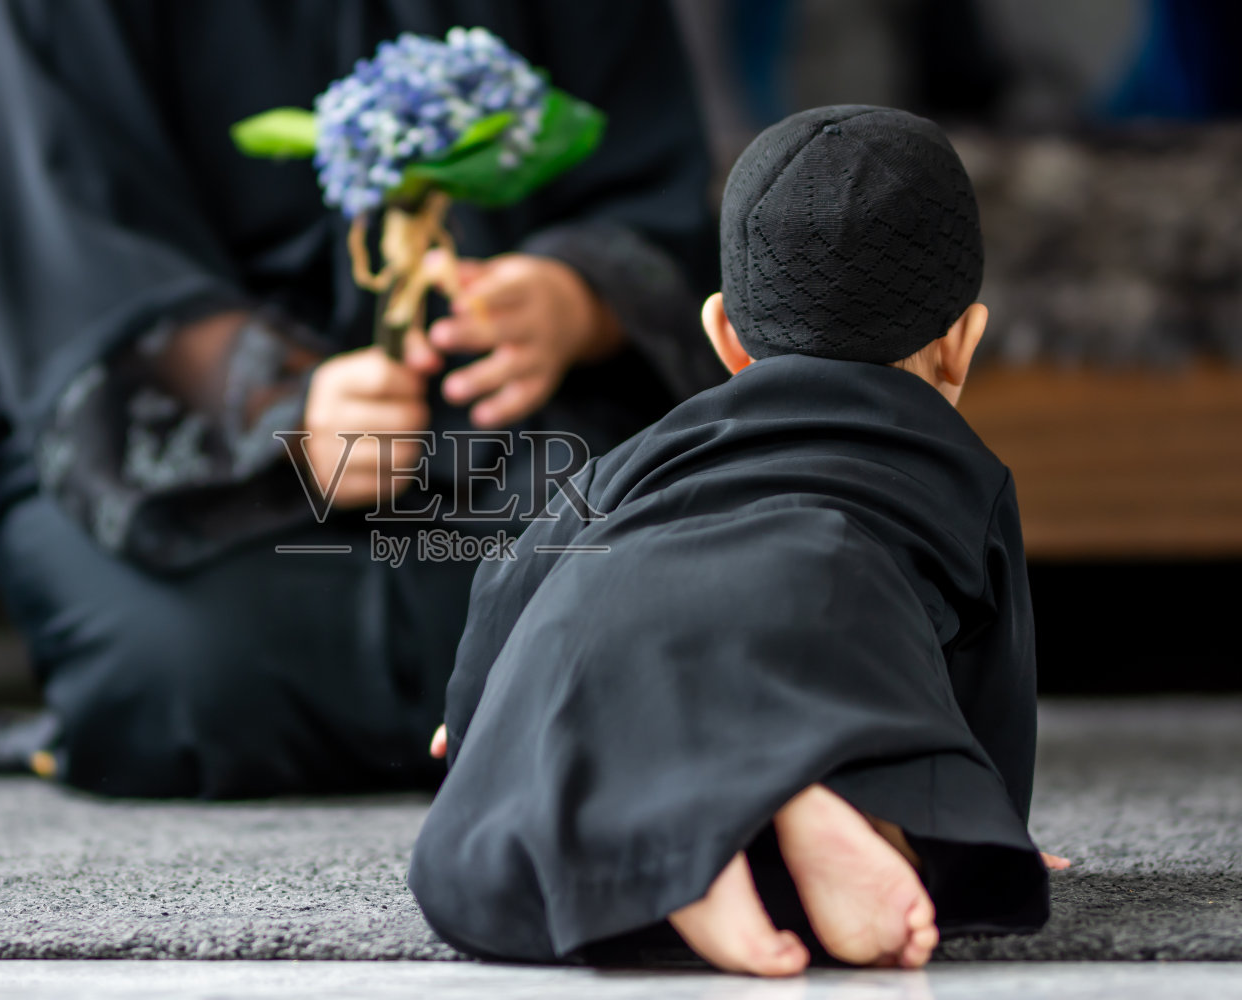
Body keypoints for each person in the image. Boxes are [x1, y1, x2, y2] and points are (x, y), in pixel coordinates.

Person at [0, 0, 725, 797]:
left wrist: (576, 298)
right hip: (179, 426)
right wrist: (278, 401)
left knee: (627, 607)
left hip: (507, 419)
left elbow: (653, 194)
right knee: (190, 675)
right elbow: (73, 253)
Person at [409, 105, 1066, 973]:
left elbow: (508, 578)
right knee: (858, 731)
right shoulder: (957, 475)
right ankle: (817, 811)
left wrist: (479, 724)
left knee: (496, 843)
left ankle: (687, 863)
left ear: (723, 336)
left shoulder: (629, 465)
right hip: (817, 602)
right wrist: (983, 820)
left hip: (611, 626)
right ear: (962, 344)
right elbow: (994, 693)